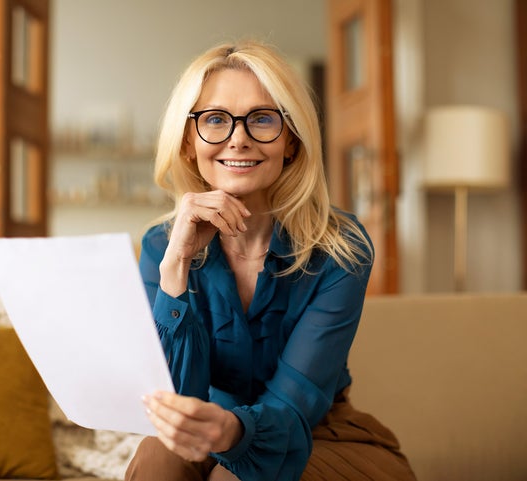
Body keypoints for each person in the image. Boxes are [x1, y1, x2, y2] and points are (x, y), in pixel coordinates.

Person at [125, 41, 416, 481]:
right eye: (216, 119)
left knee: (235, 477)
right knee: (156, 459)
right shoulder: (160, 247)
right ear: (189, 142)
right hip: (205, 428)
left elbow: (293, 404)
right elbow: (174, 405)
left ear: (292, 142)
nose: (238, 138)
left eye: (262, 118)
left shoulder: (343, 247)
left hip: (319, 435)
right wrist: (176, 270)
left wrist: (232, 431)